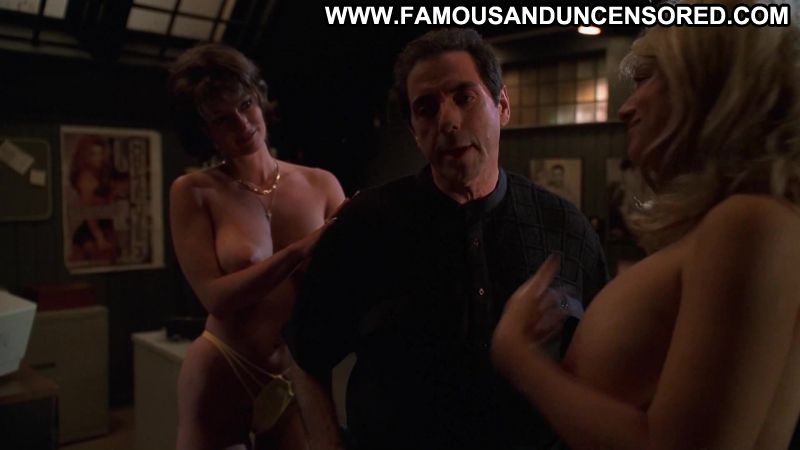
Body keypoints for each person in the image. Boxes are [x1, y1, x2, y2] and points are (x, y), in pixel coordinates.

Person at [491, 2, 800, 448]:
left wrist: (519, 358)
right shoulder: (736, 224)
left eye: (647, 78)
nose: (626, 108)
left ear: (713, 80)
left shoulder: (750, 220)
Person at [290, 28, 608, 450]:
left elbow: (603, 367)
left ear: (503, 106)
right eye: (427, 108)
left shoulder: (564, 227)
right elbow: (306, 355)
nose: (449, 121)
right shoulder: (365, 227)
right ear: (414, 130)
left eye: (465, 97)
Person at [168, 43, 345, 450]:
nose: (242, 124)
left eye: (245, 105)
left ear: (259, 98)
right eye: (222, 118)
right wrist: (300, 251)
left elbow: (347, 283)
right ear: (205, 130)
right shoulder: (194, 191)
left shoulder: (321, 183)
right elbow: (215, 298)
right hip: (225, 364)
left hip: (293, 372)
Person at [68, 135, 122, 262]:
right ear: (85, 156)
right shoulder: (86, 179)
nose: (99, 158)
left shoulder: (103, 174)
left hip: (104, 227)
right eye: (93, 154)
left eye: (101, 153)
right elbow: (88, 212)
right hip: (91, 231)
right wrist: (99, 238)